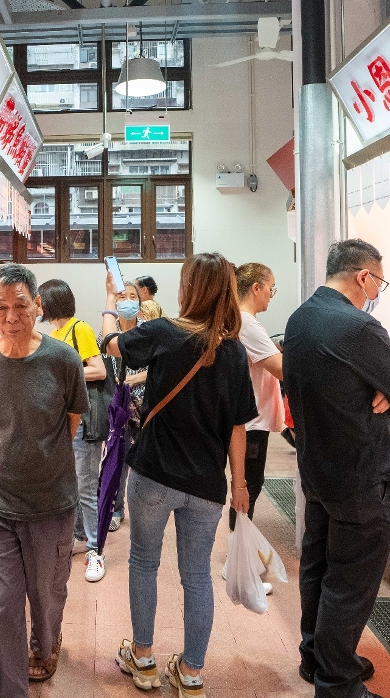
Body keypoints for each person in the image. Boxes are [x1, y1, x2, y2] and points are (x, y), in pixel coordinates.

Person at [101, 253, 255, 698]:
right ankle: (191, 673)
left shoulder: (165, 332)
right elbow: (238, 426)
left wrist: (112, 299)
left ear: (189, 289)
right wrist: (240, 484)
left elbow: (111, 344)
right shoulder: (234, 351)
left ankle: (143, 658)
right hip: (206, 485)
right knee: (197, 576)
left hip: (154, 473)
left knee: (144, 562)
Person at [283, 239, 390, 698]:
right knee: (351, 581)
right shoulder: (359, 326)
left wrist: (381, 393)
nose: (377, 292)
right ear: (363, 276)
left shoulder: (300, 318)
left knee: (319, 567)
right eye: (378, 282)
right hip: (359, 474)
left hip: (316, 469)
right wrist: (386, 394)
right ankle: (338, 683)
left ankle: (316, 658)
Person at [0, 264, 89, 696]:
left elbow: (71, 422)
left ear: (37, 306)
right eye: (1, 307)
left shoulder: (63, 359)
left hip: (50, 504)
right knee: (1, 606)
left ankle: (46, 642)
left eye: (20, 305)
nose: (11, 316)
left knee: (47, 595)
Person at [38, 279, 109, 583]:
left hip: (84, 420)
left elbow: (99, 370)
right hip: (63, 421)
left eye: (39, 300)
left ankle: (95, 549)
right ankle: (80, 536)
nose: (36, 305)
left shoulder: (80, 329)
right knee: (72, 484)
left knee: (86, 487)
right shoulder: (55, 334)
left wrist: (64, 371)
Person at [231, 263, 284, 532]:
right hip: (251, 421)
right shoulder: (247, 323)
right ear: (256, 288)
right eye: (270, 288)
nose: (271, 295)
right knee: (247, 486)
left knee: (250, 483)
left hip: (252, 418)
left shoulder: (242, 321)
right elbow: (281, 369)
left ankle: (238, 542)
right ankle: (237, 546)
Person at [104, 281, 147, 532]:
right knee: (117, 461)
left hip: (146, 407)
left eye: (133, 296)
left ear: (139, 305)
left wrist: (135, 378)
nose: (127, 301)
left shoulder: (149, 331)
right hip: (118, 408)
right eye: (122, 297)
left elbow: (161, 368)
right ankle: (116, 509)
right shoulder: (107, 333)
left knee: (143, 464)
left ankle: (143, 511)